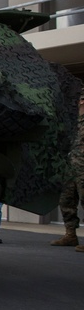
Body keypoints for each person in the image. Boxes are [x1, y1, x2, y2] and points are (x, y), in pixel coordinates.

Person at [51, 95, 84, 252]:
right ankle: (70, 235)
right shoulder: (73, 118)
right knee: (66, 200)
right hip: (71, 166)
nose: (80, 102)